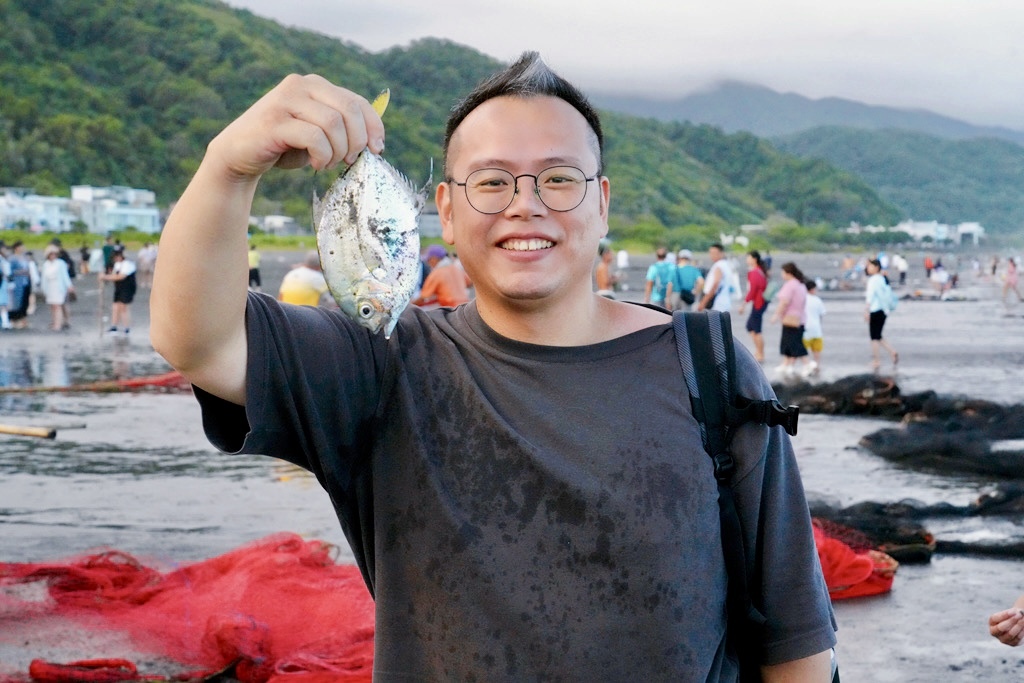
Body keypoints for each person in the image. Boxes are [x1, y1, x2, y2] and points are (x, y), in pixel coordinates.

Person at [150, 53, 835, 680]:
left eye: (558, 178)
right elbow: (200, 341)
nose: (525, 202)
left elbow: (795, 641)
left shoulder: (709, 365)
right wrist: (228, 167)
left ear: (602, 204)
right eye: (492, 180)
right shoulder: (381, 369)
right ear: (443, 212)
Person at [768, 262, 811, 378]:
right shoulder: (800, 285)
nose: (782, 275)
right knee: (789, 341)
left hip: (791, 318)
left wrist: (776, 315)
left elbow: (784, 302)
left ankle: (807, 363)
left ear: (788, 273)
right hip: (800, 318)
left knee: (793, 343)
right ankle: (786, 364)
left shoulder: (790, 285)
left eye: (783, 272)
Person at [411, 244, 471, 308]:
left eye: (429, 259)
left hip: (451, 309)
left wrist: (408, 306)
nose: (428, 262)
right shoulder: (456, 268)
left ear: (434, 258)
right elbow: (469, 283)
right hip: (465, 306)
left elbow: (423, 298)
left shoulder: (436, 273)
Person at [864, 258, 898, 371]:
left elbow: (870, 296)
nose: (868, 268)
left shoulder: (873, 280)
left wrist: (866, 310)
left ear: (876, 267)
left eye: (870, 266)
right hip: (884, 310)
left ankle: (877, 360)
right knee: (878, 335)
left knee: (874, 337)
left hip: (875, 310)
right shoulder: (882, 279)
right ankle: (892, 352)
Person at [737, 250, 768, 362]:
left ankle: (760, 353)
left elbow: (753, 290)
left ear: (754, 259)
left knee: (756, 329)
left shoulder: (755, 272)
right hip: (760, 302)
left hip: (759, 303)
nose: (747, 260)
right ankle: (758, 351)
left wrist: (744, 304)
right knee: (751, 326)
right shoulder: (759, 271)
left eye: (748, 258)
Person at [99, 246, 137, 336]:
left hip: (127, 288)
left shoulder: (128, 264)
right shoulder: (117, 264)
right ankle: (114, 327)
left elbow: (121, 276)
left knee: (123, 308)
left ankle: (127, 328)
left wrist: (105, 277)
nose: (116, 258)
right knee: (115, 307)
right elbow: (113, 276)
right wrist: (105, 277)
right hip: (119, 288)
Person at [40, 244, 74, 332]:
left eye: (54, 254)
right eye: (51, 254)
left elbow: (64, 275)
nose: (53, 256)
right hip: (50, 286)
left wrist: (69, 285)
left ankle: (58, 324)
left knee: (58, 305)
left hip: (58, 286)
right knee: (52, 305)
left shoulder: (60, 263)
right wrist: (43, 288)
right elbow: (44, 277)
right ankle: (55, 322)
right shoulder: (46, 264)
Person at [697, 243, 733, 313]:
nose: (712, 255)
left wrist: (703, 302)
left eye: (714, 253)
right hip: (724, 301)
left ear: (721, 253)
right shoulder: (726, 264)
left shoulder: (719, 266)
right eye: (711, 253)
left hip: (716, 303)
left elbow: (716, 284)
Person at [803, 280, 826, 377]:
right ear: (812, 289)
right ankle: (816, 365)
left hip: (805, 328)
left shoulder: (803, 299)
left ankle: (807, 365)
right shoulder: (817, 300)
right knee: (816, 350)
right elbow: (822, 314)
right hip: (816, 329)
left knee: (804, 350)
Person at [7, 241, 32, 329]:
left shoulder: (24, 258)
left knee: (24, 302)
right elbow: (9, 271)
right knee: (16, 302)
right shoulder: (12, 259)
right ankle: (14, 320)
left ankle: (23, 320)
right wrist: (20, 272)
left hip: (25, 282)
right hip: (17, 283)